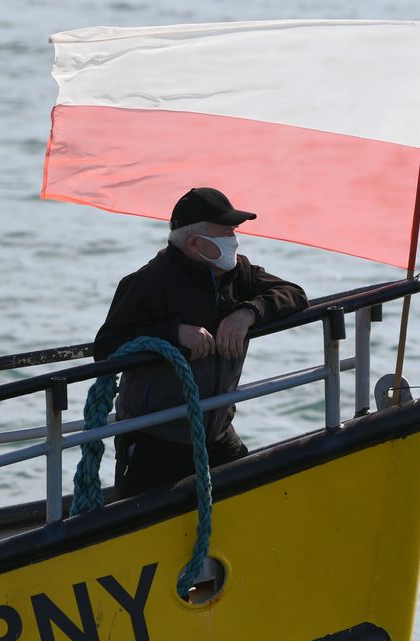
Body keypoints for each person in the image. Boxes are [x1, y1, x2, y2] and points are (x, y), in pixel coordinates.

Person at [93, 187, 309, 498]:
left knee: (249, 499)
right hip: (155, 441)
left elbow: (294, 294)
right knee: (141, 518)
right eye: (226, 232)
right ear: (195, 243)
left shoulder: (239, 273)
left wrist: (249, 312)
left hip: (218, 433)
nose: (234, 239)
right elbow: (107, 347)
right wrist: (174, 334)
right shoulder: (149, 282)